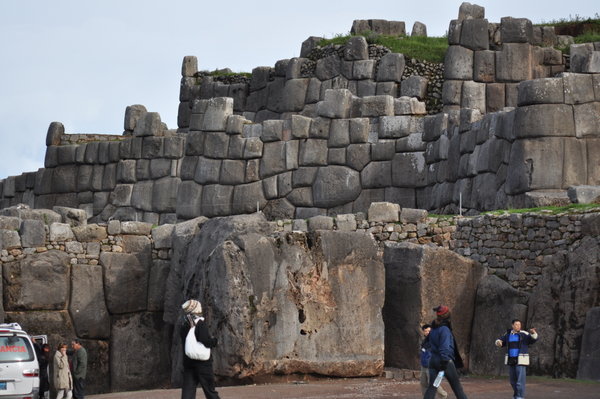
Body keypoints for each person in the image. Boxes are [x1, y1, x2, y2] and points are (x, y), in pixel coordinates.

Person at [423, 305, 468, 399]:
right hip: (444, 361)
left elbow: (425, 343)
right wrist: (444, 361)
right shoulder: (445, 329)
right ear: (448, 316)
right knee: (457, 388)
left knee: (432, 387)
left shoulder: (433, 328)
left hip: (433, 360)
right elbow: (445, 347)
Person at [180, 299, 220, 399]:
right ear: (196, 309)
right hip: (202, 363)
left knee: (188, 391)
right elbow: (205, 341)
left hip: (188, 362)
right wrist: (214, 341)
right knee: (210, 390)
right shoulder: (200, 323)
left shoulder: (184, 324)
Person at [495, 319, 538, 399]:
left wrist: (533, 333)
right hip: (511, 359)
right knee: (512, 381)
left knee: (520, 381)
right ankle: (516, 395)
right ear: (512, 325)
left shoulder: (524, 334)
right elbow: (500, 340)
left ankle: (520, 396)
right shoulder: (508, 334)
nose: (518, 326)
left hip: (521, 359)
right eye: (516, 324)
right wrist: (498, 342)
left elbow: (533, 339)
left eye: (519, 325)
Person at [420, 324, 448, 399]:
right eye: (425, 331)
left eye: (429, 331)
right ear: (423, 332)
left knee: (433, 383)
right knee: (423, 383)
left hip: (432, 366)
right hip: (423, 365)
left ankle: (443, 395)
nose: (427, 332)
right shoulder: (424, 341)